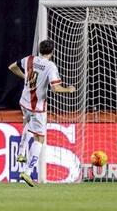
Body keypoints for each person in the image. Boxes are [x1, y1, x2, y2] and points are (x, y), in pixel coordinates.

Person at [8, 39, 75, 187]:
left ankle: (21, 152)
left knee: (27, 123)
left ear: (40, 49)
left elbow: (12, 67)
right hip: (37, 107)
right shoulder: (50, 66)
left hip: (24, 101)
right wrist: (69, 89)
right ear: (52, 52)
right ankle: (28, 170)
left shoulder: (29, 59)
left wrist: (25, 77)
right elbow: (56, 88)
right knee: (39, 139)